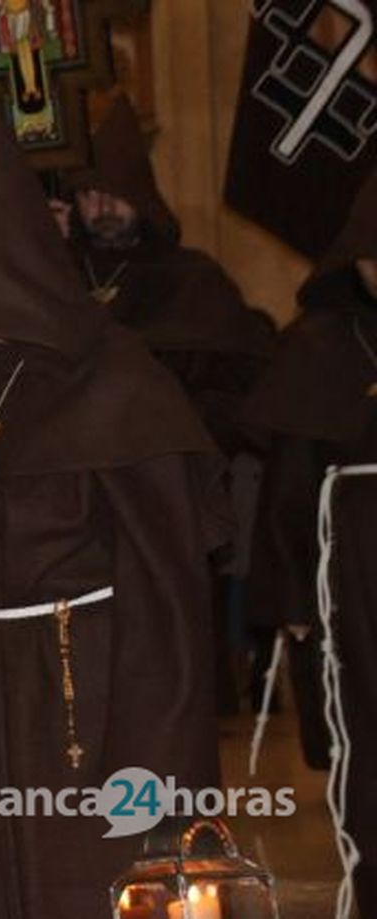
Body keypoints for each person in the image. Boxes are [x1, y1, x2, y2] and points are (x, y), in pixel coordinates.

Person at [0, 112, 230, 919]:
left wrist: (155, 770)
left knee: (84, 879)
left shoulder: (121, 388)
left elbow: (167, 591)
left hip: (87, 698)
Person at [68, 94, 275, 717]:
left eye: (115, 194)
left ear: (145, 198)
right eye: (89, 195)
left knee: (166, 661)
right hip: (71, 505)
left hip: (164, 496)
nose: (102, 209)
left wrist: (174, 433)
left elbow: (242, 390)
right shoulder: (53, 279)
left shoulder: (194, 281)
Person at [241, 171, 377, 919]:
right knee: (366, 726)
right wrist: (292, 595)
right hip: (355, 574)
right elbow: (289, 488)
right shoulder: (321, 346)